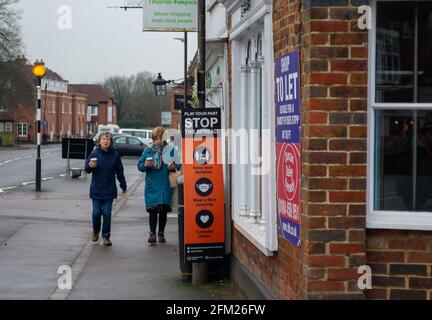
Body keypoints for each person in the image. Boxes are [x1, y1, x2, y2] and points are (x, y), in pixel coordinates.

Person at [137, 127, 181, 244]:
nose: (158, 141)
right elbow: (140, 166)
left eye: (160, 139)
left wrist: (174, 167)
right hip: (152, 185)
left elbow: (179, 164)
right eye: (156, 139)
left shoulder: (170, 149)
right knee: (152, 210)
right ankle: (152, 234)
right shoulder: (148, 150)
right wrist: (146, 164)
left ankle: (161, 232)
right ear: (153, 139)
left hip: (165, 184)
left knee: (163, 210)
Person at [85, 132, 127, 246]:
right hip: (96, 189)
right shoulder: (95, 153)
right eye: (103, 139)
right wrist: (90, 166)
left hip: (109, 189)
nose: (105, 141)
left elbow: (119, 172)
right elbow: (86, 168)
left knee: (107, 213)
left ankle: (106, 236)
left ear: (111, 142)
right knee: (96, 213)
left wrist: (123, 185)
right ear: (99, 142)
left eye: (107, 139)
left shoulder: (115, 155)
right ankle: (96, 231)